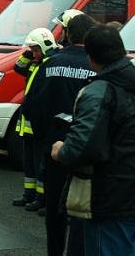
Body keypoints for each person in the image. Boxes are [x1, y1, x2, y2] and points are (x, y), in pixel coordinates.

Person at [51, 24, 135, 256]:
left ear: (91, 57)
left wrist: (61, 150)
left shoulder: (98, 91)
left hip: (107, 197)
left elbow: (83, 147)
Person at [22, 14, 97, 255]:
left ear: (66, 34)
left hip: (53, 146)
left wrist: (46, 136)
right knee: (82, 209)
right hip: (85, 150)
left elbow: (31, 104)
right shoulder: (94, 65)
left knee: (54, 210)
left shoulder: (50, 64)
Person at [12, 27, 59, 213]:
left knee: (41, 163)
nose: (34, 53)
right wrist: (28, 51)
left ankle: (42, 198)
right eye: (33, 50)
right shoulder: (33, 62)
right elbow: (18, 67)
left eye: (36, 50)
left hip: (39, 123)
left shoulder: (50, 64)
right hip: (27, 122)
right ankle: (28, 194)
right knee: (29, 161)